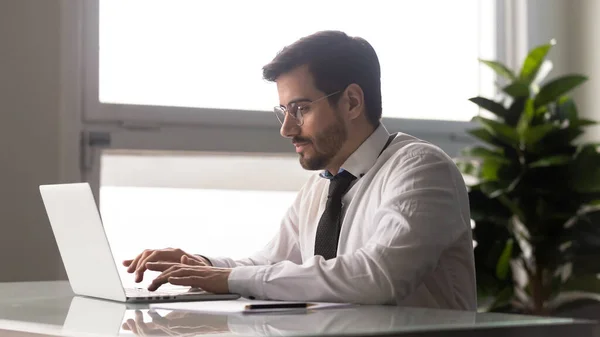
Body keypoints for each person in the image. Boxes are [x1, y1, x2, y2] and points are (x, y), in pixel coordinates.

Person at [123, 30, 477, 310]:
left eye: (301, 109)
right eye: (284, 111)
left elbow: (377, 276)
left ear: (352, 102)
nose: (287, 129)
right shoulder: (322, 186)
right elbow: (268, 263)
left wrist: (228, 278)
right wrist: (199, 265)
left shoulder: (420, 168)